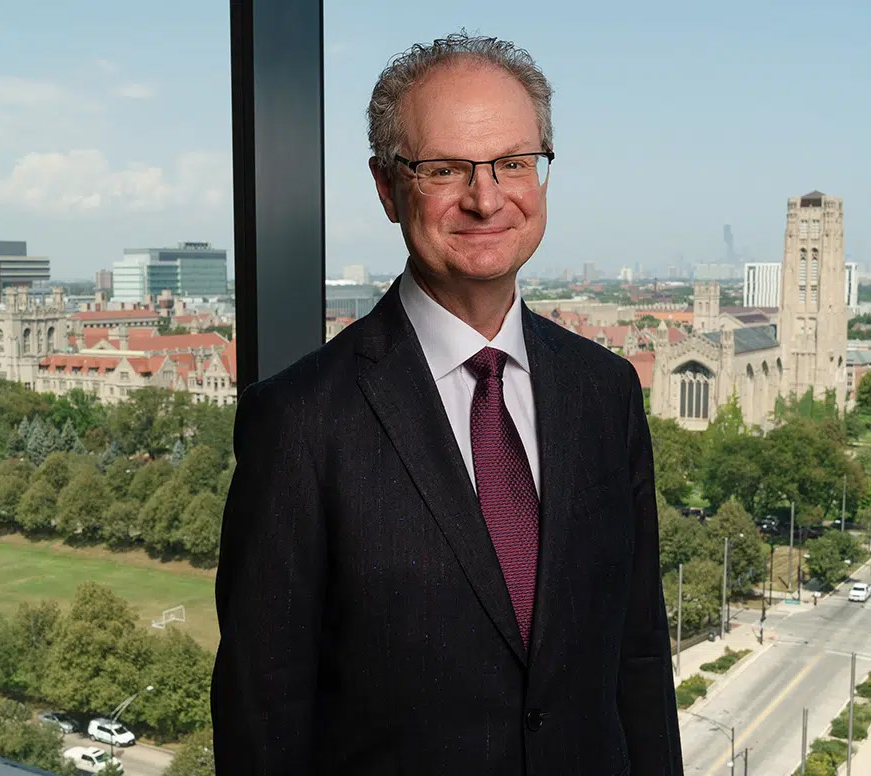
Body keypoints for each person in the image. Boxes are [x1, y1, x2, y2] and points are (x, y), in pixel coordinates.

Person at [211, 33, 681, 775]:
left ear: (542, 175)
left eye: (514, 163)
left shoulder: (606, 392)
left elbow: (639, 660)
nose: (486, 197)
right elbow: (263, 717)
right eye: (445, 169)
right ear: (387, 187)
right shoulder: (300, 420)